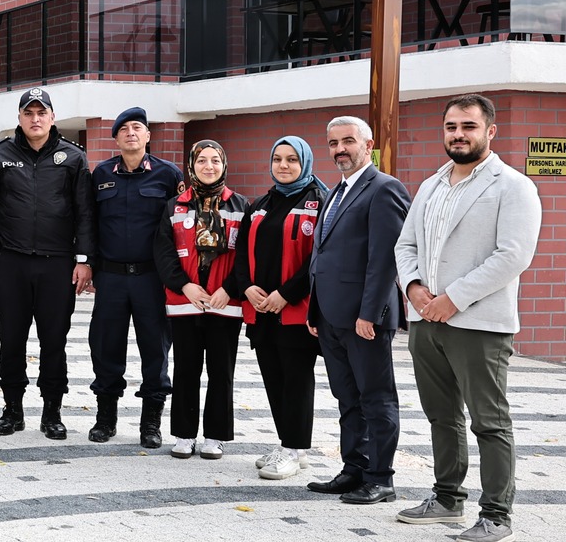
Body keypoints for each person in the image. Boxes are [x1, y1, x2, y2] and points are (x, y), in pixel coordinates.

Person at [394, 95, 543, 542]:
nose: (458, 134)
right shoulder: (431, 186)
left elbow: (513, 256)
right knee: (441, 414)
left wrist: (452, 300)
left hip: (478, 323)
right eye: (451, 127)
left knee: (489, 421)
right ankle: (446, 498)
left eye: (469, 127)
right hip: (425, 320)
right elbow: (405, 245)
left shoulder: (513, 186)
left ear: (490, 131)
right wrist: (415, 289)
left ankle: (497, 515)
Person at [0, 87, 94, 439]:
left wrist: (84, 260)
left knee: (54, 341)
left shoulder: (72, 157)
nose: (35, 119)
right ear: (20, 118)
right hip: (12, 263)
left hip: (57, 265)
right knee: (11, 340)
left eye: (42, 113)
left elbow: (85, 213)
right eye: (29, 113)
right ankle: (12, 410)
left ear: (52, 117)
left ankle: (52, 411)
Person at [306, 115, 412, 506]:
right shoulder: (336, 191)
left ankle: (381, 478)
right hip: (332, 318)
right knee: (347, 398)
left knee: (376, 398)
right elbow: (323, 256)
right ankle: (354, 469)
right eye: (333, 143)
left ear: (368, 146)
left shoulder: (384, 188)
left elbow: (385, 259)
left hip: (365, 320)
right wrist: (315, 311)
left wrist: (369, 315)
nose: (340, 150)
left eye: (348, 141)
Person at [88, 106, 182, 448]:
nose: (131, 132)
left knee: (155, 350)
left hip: (151, 279)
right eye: (124, 128)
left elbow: (179, 229)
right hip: (111, 277)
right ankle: (105, 419)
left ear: (147, 136)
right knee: (105, 347)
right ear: (115, 138)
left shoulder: (168, 175)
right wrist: (88, 264)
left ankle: (151, 423)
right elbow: (89, 224)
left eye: (137, 127)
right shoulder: (100, 175)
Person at [234, 136, 326, 481]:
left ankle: (294, 447)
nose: (284, 166)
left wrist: (285, 293)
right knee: (273, 377)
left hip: (295, 310)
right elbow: (241, 252)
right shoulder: (261, 203)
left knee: (297, 379)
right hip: (261, 310)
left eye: (292, 160)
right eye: (277, 159)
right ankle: (290, 445)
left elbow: (319, 258)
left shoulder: (320, 202)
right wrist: (247, 287)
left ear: (305, 163)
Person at [155, 141, 247, 460]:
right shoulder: (174, 206)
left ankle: (215, 437)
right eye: (202, 160)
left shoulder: (240, 206)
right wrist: (186, 287)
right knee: (186, 369)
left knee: (221, 371)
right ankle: (183, 434)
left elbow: (247, 257)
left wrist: (229, 289)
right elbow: (163, 254)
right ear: (191, 165)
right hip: (185, 303)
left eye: (215, 161)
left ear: (224, 164)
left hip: (225, 304)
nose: (209, 166)